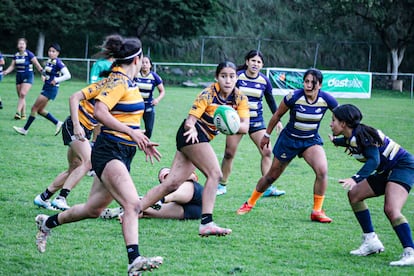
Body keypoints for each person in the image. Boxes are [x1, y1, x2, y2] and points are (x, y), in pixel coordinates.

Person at [34, 34, 163, 275]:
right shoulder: (118, 83)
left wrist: (140, 139)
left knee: (93, 209)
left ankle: (47, 222)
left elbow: (127, 118)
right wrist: (131, 134)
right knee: (132, 205)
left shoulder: (124, 81)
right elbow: (101, 112)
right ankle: (134, 260)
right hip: (109, 151)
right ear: (137, 59)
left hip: (124, 151)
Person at [140, 61, 250, 237]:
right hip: (190, 134)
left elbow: (245, 126)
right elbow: (191, 120)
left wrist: (231, 123)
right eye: (223, 76)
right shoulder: (208, 93)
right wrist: (191, 127)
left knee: (172, 184)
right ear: (217, 77)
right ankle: (206, 222)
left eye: (231, 76)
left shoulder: (240, 98)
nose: (228, 80)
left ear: (237, 78)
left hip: (201, 138)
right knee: (215, 173)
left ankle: (133, 209)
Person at [236, 68, 338, 223]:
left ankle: (317, 211)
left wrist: (340, 133)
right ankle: (249, 203)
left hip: (310, 140)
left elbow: (341, 116)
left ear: (320, 85)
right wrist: (267, 135)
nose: (309, 85)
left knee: (322, 171)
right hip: (289, 141)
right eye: (306, 81)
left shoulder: (328, 100)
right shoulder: (294, 97)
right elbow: (277, 115)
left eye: (313, 82)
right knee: (271, 176)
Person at [329, 104, 414, 266]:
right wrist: (335, 141)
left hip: (402, 166)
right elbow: (347, 141)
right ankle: (371, 242)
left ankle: (410, 251)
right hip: (387, 170)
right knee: (354, 195)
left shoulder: (362, 136)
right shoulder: (352, 135)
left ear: (344, 124)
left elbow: (374, 160)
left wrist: (355, 178)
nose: (331, 124)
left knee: (391, 209)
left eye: (333, 120)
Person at [217, 50, 285, 197]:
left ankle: (267, 187)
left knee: (267, 152)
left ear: (262, 65)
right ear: (247, 62)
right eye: (253, 60)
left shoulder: (264, 81)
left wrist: (278, 119)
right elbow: (225, 92)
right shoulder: (237, 76)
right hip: (237, 121)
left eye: (259, 62)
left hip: (256, 121)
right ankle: (221, 185)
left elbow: (271, 101)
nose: (256, 64)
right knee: (229, 153)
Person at [33, 78, 107, 211]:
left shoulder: (117, 92)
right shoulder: (103, 85)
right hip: (75, 127)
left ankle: (43, 197)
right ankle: (61, 198)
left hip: (86, 129)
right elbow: (73, 98)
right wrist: (76, 125)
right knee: (89, 162)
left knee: (74, 167)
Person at [101, 167, 203, 220]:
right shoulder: (164, 186)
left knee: (173, 190)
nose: (166, 177)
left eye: (168, 174)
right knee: (145, 212)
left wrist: (172, 177)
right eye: (163, 177)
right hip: (192, 212)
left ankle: (158, 199)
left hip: (196, 195)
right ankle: (125, 210)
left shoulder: (186, 179)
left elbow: (193, 177)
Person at [13, 43, 71, 136]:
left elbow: (68, 75)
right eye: (49, 51)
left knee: (34, 108)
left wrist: (56, 80)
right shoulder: (50, 61)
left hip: (51, 89)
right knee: (40, 110)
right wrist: (44, 76)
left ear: (57, 53)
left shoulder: (58, 62)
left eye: (53, 51)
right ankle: (58, 123)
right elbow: (47, 72)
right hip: (46, 87)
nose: (51, 53)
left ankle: (25, 129)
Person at [3, 38, 43, 120]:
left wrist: (43, 73)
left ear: (26, 45)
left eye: (23, 44)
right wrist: (6, 72)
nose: (21, 45)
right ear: (17, 45)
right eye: (20, 44)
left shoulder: (29, 54)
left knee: (22, 94)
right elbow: (12, 66)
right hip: (19, 76)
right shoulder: (16, 55)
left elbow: (37, 64)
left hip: (28, 75)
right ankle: (23, 115)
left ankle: (17, 112)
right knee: (21, 96)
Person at [134, 55, 166, 138]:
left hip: (148, 105)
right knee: (133, 126)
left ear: (150, 65)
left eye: (146, 62)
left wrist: (157, 100)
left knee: (149, 129)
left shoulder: (154, 77)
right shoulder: (135, 75)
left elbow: (162, 91)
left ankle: (145, 142)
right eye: (142, 62)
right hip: (136, 104)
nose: (144, 64)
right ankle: (136, 142)